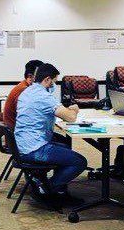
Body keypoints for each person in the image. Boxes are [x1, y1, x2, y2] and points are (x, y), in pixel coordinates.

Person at [14, 63, 87, 208]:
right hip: (34, 149)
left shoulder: (27, 92)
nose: (54, 85)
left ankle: (59, 191)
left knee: (65, 147)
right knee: (79, 162)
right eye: (54, 82)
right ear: (47, 80)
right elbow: (70, 118)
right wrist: (74, 109)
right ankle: (47, 188)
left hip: (23, 144)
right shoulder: (44, 97)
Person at [3, 60, 44, 129]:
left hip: (16, 127)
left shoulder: (24, 85)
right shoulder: (24, 90)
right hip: (18, 131)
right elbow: (30, 115)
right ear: (30, 76)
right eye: (41, 75)